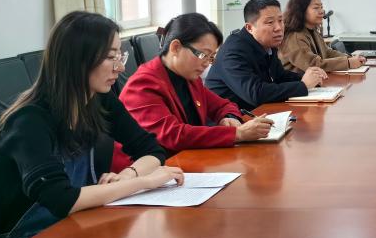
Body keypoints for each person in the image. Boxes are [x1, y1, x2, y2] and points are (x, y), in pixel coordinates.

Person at [0, 12, 184, 238]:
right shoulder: (28, 122)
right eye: (110, 57)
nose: (120, 67)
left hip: (69, 230)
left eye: (120, 56)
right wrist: (143, 182)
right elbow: (62, 199)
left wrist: (127, 175)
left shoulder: (99, 100)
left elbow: (151, 150)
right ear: (77, 61)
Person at [115, 13, 273, 166]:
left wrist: (229, 117)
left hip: (187, 162)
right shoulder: (142, 85)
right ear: (176, 47)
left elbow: (223, 104)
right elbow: (173, 135)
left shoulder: (188, 76)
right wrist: (237, 134)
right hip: (151, 171)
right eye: (203, 55)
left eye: (211, 57)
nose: (207, 64)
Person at [206, 0, 327, 110]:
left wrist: (310, 78)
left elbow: (279, 76)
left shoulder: (267, 42)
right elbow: (255, 93)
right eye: (270, 22)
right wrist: (303, 85)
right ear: (249, 28)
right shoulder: (233, 51)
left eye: (280, 20)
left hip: (258, 112)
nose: (278, 28)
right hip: (231, 118)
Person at [279, 0, 367, 73]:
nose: (322, 11)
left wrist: (349, 58)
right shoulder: (295, 37)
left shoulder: (312, 30)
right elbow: (313, 64)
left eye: (321, 7)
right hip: (298, 82)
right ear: (301, 10)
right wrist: (348, 63)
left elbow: (327, 52)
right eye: (316, 8)